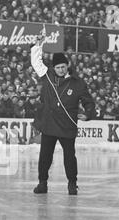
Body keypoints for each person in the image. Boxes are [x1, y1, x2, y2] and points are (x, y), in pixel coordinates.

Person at [30, 29, 95, 195]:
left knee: (69, 158)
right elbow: (36, 61)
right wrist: (39, 44)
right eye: (57, 67)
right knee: (45, 157)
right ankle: (42, 183)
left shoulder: (78, 83)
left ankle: (72, 184)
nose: (60, 69)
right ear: (54, 67)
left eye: (63, 67)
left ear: (68, 66)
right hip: (49, 124)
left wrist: (88, 114)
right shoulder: (47, 75)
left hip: (67, 126)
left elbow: (89, 101)